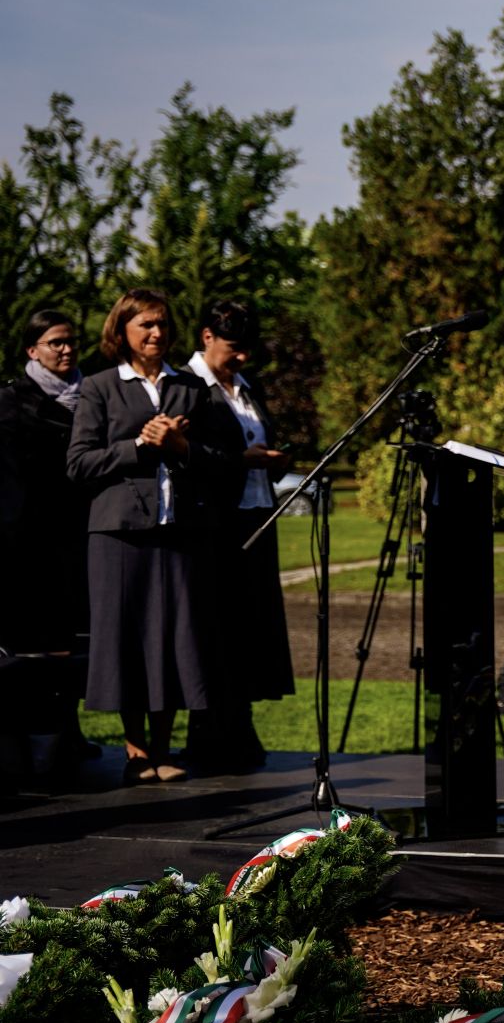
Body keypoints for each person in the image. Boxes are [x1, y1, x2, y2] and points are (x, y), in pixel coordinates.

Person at [66, 289, 237, 784]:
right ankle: (136, 750)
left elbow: (219, 462)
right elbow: (78, 464)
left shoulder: (190, 389)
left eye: (162, 324)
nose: (157, 333)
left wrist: (182, 444)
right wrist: (140, 444)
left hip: (178, 533)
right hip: (118, 537)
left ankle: (163, 748)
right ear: (122, 331)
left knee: (173, 638)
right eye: (145, 325)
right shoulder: (99, 388)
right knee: (127, 640)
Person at [186, 299, 295, 771]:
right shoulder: (188, 387)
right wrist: (239, 462)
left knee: (249, 627)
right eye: (234, 347)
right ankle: (210, 734)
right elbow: (189, 454)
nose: (243, 357)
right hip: (214, 522)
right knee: (215, 626)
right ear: (207, 336)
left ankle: (239, 726)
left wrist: (275, 462)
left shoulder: (247, 389)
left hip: (256, 513)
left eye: (247, 348)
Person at [0, 310, 94, 778]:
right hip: (29, 542)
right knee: (35, 651)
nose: (66, 349)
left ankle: (67, 736)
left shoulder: (92, 394)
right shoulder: (12, 402)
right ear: (32, 350)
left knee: (75, 645)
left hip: (80, 538)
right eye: (55, 342)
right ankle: (33, 749)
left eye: (71, 341)